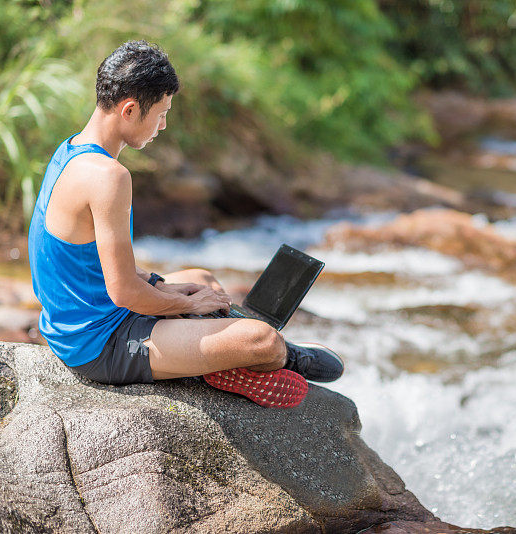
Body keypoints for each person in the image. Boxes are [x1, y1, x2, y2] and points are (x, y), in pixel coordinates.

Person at [27, 40, 343, 403]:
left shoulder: (70, 150)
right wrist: (189, 306)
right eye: (161, 113)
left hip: (79, 321)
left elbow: (89, 261)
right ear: (130, 110)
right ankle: (281, 356)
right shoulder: (108, 177)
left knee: (200, 279)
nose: (163, 125)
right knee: (261, 339)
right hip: (99, 345)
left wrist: (167, 287)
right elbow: (124, 292)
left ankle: (220, 353)